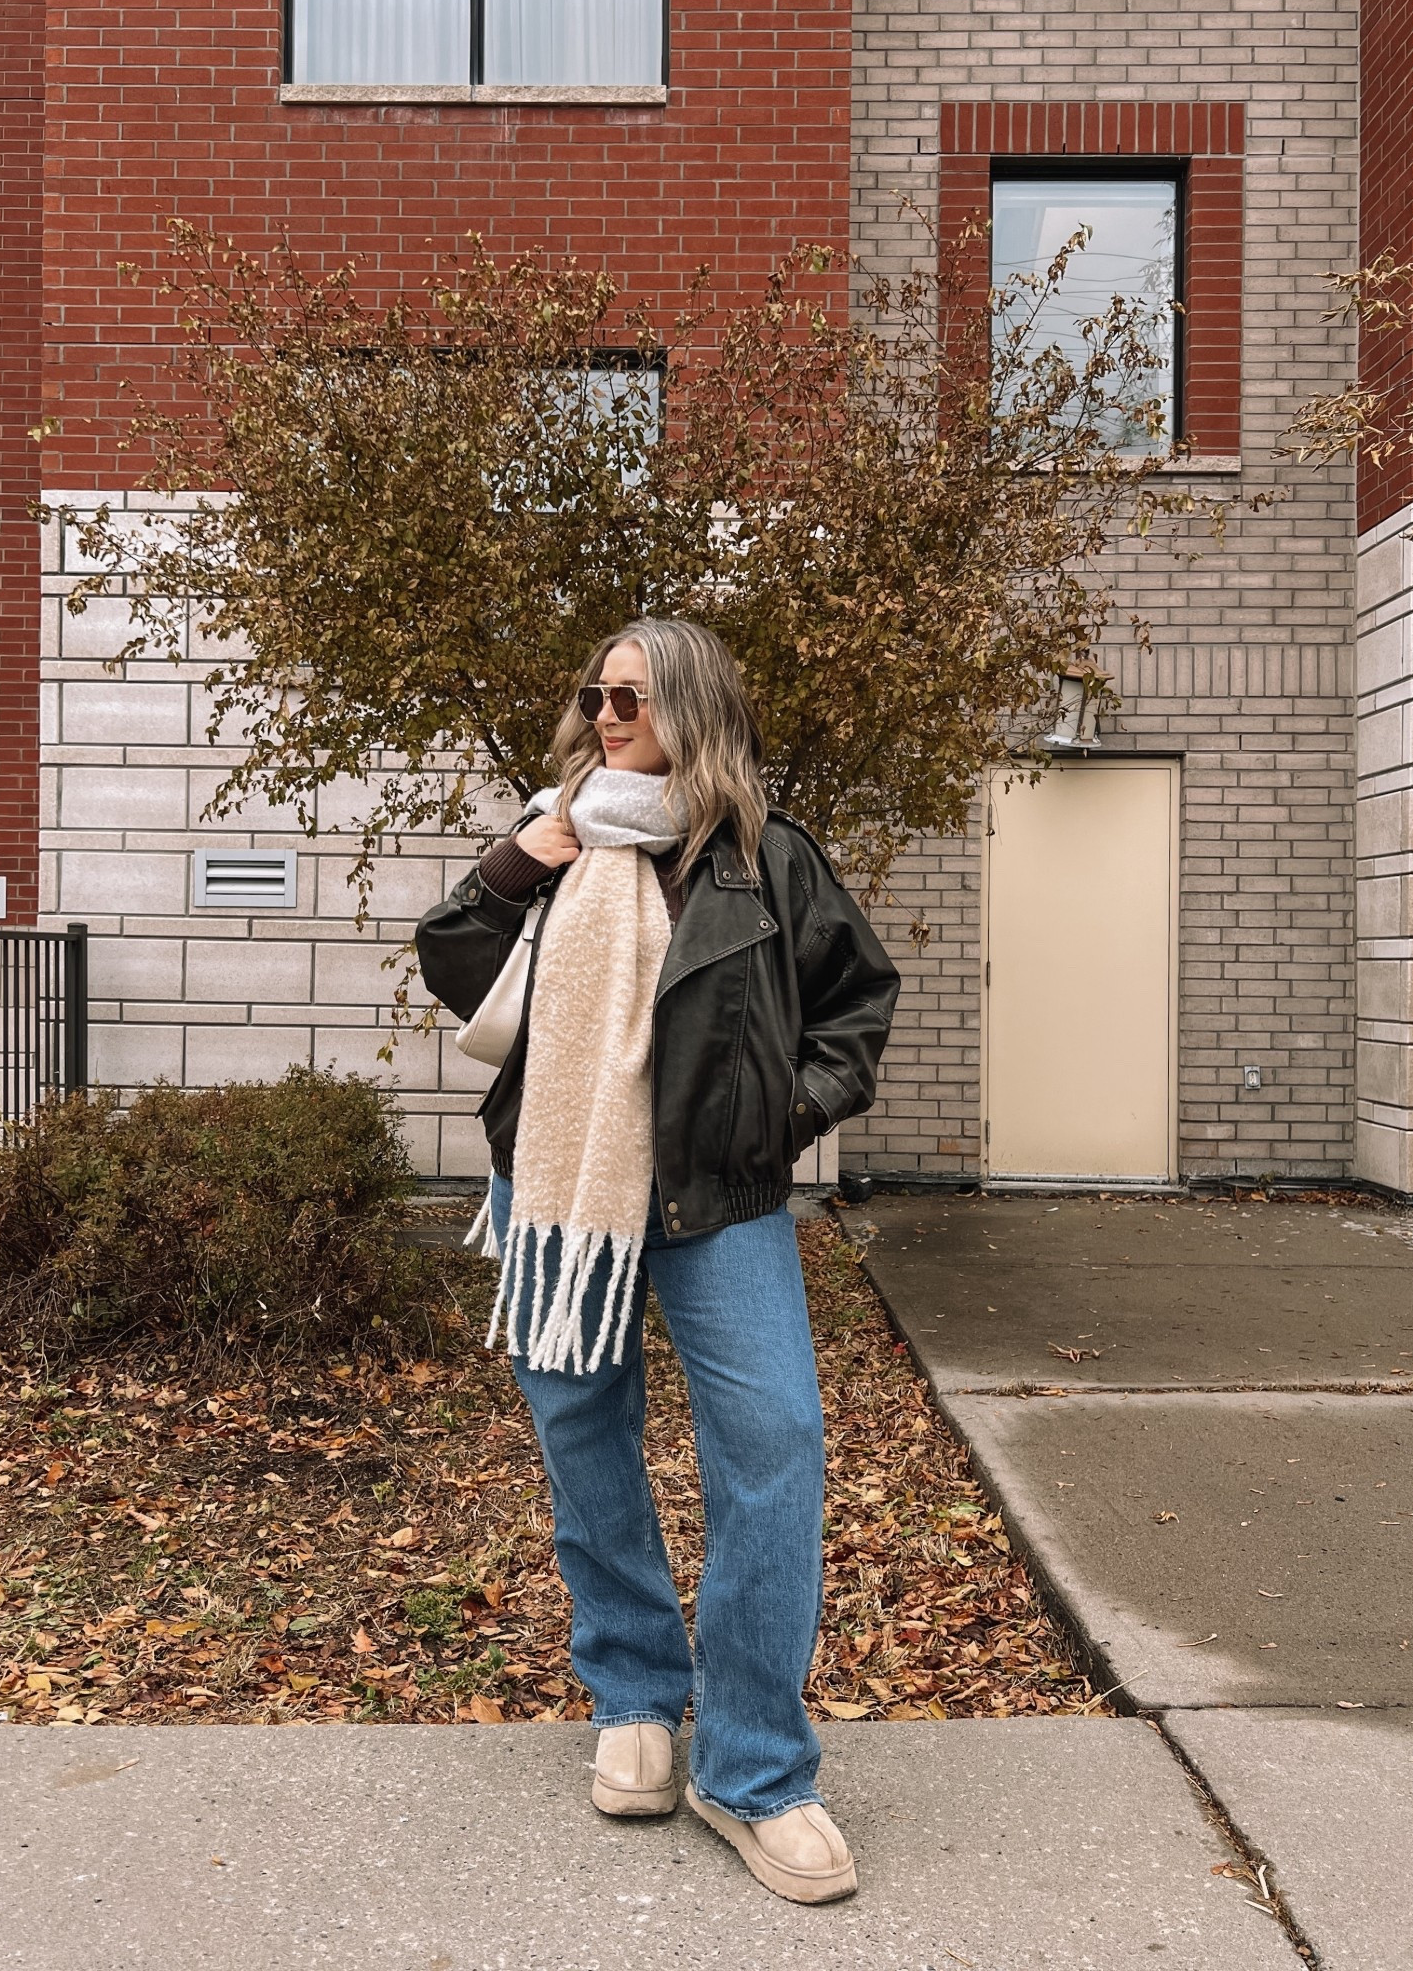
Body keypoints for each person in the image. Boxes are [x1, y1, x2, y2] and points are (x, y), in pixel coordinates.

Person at [415, 618, 899, 1904]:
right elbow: (452, 966)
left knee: (776, 1443)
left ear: (690, 703)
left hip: (719, 1197)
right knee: (584, 1433)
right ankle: (634, 1693)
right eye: (595, 693)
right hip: (562, 1191)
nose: (606, 712)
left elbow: (858, 1000)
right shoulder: (556, 834)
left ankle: (752, 1769)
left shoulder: (764, 857)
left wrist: (781, 1111)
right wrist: (516, 863)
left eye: (629, 692)